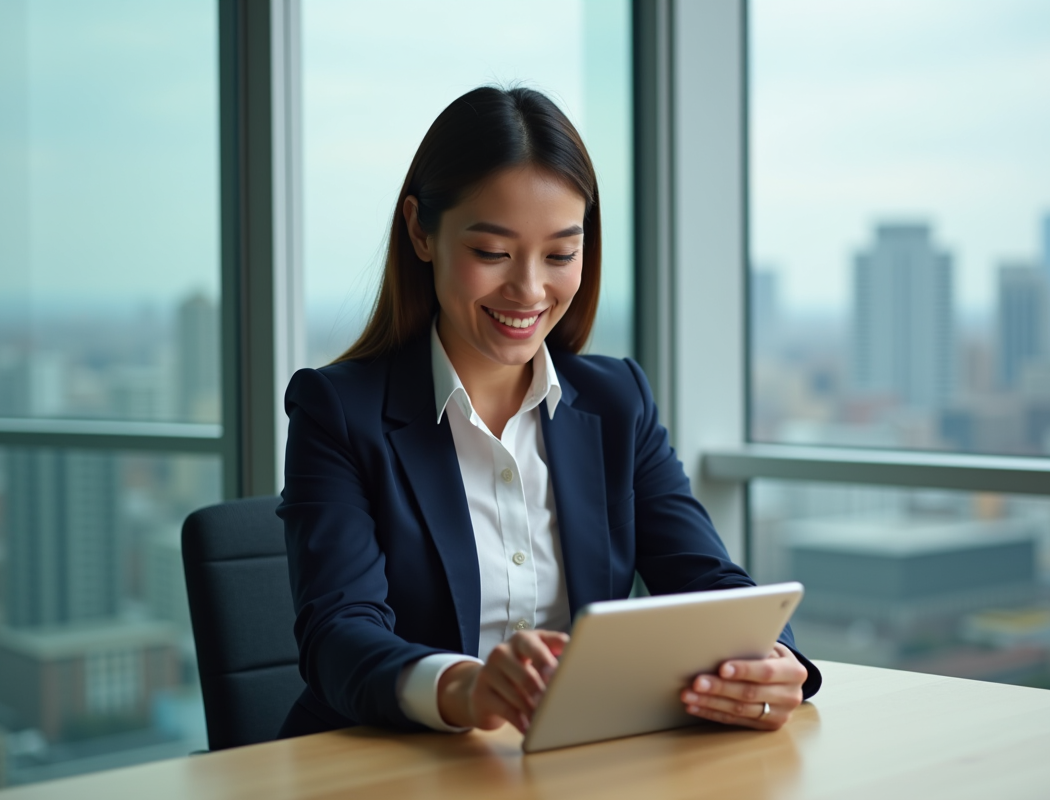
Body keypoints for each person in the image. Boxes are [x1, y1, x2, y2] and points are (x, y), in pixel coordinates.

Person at [276, 86, 821, 739]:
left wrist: (776, 661)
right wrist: (463, 686)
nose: (530, 290)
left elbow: (707, 575)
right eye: (492, 253)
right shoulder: (338, 412)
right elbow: (340, 636)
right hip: (384, 768)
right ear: (421, 230)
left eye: (561, 254)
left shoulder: (618, 401)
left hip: (570, 763)